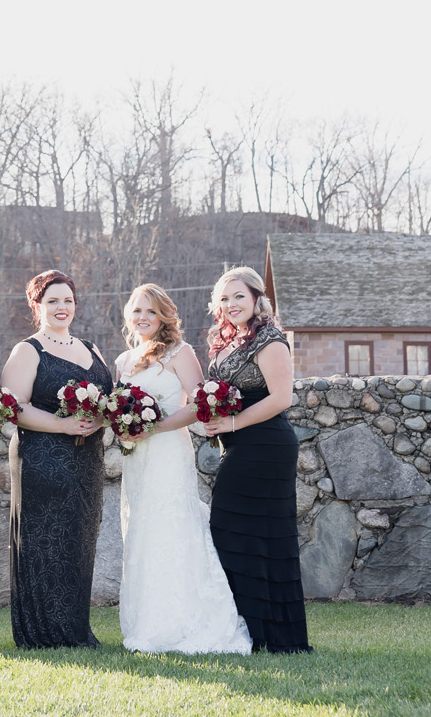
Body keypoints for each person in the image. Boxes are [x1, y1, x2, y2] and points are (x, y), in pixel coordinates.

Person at [115, 284, 252, 655]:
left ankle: (184, 620)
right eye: (137, 310)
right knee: (142, 530)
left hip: (168, 452)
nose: (143, 318)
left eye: (151, 312)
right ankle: (148, 621)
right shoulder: (124, 362)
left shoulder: (180, 352)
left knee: (172, 527)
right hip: (137, 457)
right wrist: (125, 425)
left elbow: (202, 403)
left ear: (163, 317)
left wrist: (157, 425)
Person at [1, 269, 112, 649]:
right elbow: (13, 407)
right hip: (42, 459)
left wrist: (100, 418)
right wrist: (63, 427)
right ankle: (44, 633)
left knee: (79, 542)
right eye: (52, 301)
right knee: (45, 543)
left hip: (88, 461)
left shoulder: (92, 348)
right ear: (37, 306)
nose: (61, 307)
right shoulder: (28, 350)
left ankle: (75, 629)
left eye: (67, 300)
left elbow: (109, 402)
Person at [202, 266, 311, 653]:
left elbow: (281, 398)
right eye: (225, 299)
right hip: (239, 446)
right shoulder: (225, 341)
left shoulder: (269, 339)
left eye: (239, 297)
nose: (231, 304)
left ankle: (274, 634)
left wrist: (232, 420)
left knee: (254, 536)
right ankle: (252, 631)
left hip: (266, 446)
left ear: (256, 299)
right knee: (238, 534)